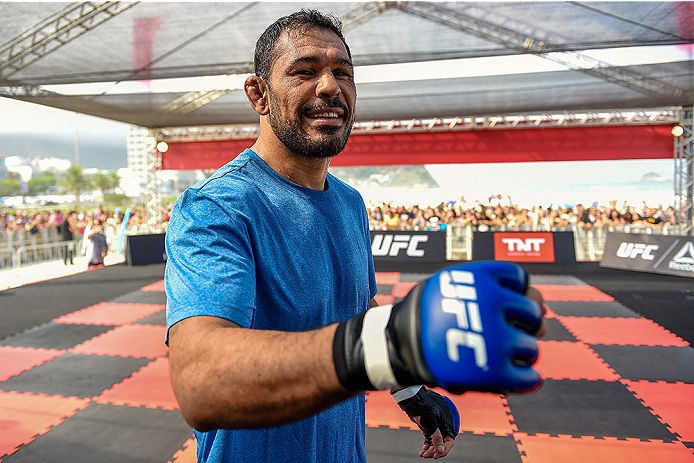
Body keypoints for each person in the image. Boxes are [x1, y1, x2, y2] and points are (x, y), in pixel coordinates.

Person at [165, 9, 547, 463]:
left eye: (342, 72)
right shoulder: (216, 206)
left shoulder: (350, 204)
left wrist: (408, 389)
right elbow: (202, 385)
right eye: (304, 71)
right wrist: (394, 345)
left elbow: (357, 306)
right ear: (258, 94)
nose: (330, 86)